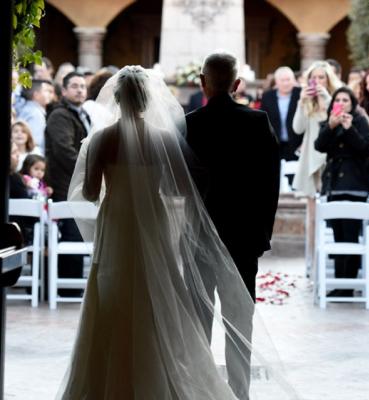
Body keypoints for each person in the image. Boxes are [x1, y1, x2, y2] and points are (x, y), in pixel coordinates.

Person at [57, 66, 296, 400]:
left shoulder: (102, 139)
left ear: (118, 98)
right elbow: (183, 187)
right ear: (146, 98)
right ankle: (165, 375)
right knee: (158, 291)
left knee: (112, 292)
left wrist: (117, 185)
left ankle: (107, 381)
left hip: (117, 223)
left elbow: (90, 191)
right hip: (152, 221)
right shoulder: (163, 138)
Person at [185, 53, 280, 399]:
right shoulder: (257, 121)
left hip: (199, 235)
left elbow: (180, 184)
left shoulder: (189, 124)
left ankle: (200, 390)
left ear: (202, 82)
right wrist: (262, 235)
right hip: (243, 237)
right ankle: (240, 394)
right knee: (240, 322)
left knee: (198, 319)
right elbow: (270, 183)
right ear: (238, 84)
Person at [314, 87, 369, 296]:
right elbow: (319, 146)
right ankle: (340, 283)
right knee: (338, 236)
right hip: (334, 185)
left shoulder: (359, 122)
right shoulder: (329, 122)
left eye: (345, 100)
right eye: (337, 99)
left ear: (352, 104)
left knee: (350, 236)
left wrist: (349, 129)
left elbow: (365, 148)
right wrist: (330, 127)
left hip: (354, 185)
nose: (341, 103)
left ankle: (348, 285)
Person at [292, 60, 342, 273]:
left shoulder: (337, 96)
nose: (318, 81)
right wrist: (301, 102)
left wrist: (327, 97)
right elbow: (297, 129)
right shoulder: (307, 101)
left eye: (322, 77)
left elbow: (338, 118)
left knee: (333, 214)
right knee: (312, 217)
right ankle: (312, 264)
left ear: (328, 79)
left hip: (332, 161)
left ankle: (335, 260)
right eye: (314, 78)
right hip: (312, 161)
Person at [45, 71, 90, 296]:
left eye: (82, 86)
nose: (80, 90)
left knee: (77, 233)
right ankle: (68, 289)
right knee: (72, 233)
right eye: (74, 86)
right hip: (65, 184)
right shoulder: (60, 115)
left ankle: (72, 285)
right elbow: (64, 151)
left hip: (77, 185)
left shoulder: (82, 113)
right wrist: (89, 170)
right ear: (63, 91)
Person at [261, 66, 303, 161]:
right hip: (274, 145)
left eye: (288, 79)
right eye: (282, 80)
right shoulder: (267, 96)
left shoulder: (301, 94)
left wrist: (304, 143)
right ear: (276, 81)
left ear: (293, 80)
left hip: (297, 145)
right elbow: (263, 120)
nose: (285, 83)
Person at [17, 79, 53, 154]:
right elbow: (35, 143)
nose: (49, 94)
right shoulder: (35, 114)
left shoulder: (28, 109)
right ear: (36, 95)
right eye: (46, 91)